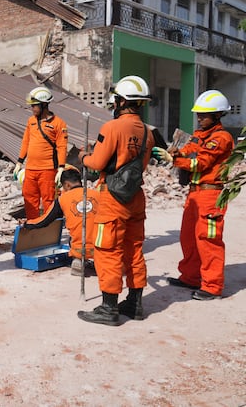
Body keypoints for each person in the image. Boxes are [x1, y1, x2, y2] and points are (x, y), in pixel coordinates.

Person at [76, 75, 154, 325]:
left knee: (108, 250)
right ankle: (135, 303)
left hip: (112, 198)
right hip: (135, 196)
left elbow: (98, 163)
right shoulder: (148, 134)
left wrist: (83, 157)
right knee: (134, 249)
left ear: (121, 101)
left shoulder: (112, 128)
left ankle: (109, 308)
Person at [153, 90, 234, 301]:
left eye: (204, 114)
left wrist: (173, 161)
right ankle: (190, 276)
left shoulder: (221, 138)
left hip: (211, 194)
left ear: (217, 115)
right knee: (188, 237)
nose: (199, 117)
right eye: (198, 114)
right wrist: (173, 152)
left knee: (208, 241)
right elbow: (189, 149)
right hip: (195, 194)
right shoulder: (201, 135)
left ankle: (212, 286)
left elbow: (201, 163)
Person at [24, 167, 98, 276]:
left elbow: (45, 220)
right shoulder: (97, 195)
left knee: (74, 236)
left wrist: (27, 224)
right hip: (103, 247)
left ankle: (78, 260)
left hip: (80, 248)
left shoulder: (62, 199)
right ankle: (99, 262)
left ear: (67, 185)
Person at [14, 86, 68, 219]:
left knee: (48, 200)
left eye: (34, 106)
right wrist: (19, 162)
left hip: (48, 169)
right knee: (30, 200)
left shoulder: (59, 123)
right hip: (31, 169)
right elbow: (26, 141)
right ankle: (34, 226)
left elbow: (62, 146)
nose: (32, 109)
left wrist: (61, 168)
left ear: (44, 105)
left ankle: (48, 230)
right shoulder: (31, 121)